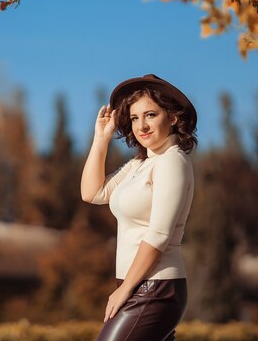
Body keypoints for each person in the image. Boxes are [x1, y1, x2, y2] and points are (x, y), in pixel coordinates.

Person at [81, 74, 198, 341]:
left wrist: (125, 291)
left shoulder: (172, 161)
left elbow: (158, 235)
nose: (142, 126)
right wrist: (101, 138)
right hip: (138, 285)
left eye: (150, 115)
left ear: (173, 117)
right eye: (135, 118)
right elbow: (92, 192)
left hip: (156, 289)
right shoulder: (140, 164)